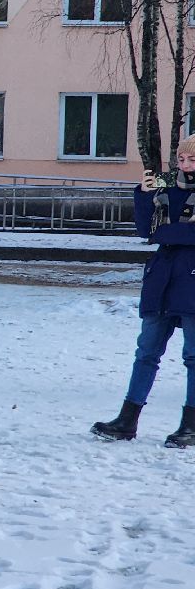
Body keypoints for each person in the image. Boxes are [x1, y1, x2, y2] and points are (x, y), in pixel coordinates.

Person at [93, 137, 195, 447]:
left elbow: (166, 233)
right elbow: (145, 230)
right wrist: (143, 194)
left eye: (192, 160)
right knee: (146, 353)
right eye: (181, 158)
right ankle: (127, 420)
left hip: (191, 280)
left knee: (193, 357)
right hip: (162, 279)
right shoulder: (166, 189)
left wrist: (165, 232)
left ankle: (190, 426)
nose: (185, 165)